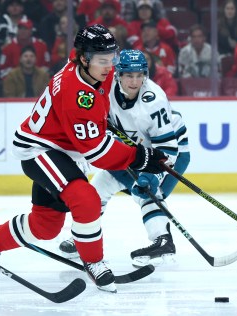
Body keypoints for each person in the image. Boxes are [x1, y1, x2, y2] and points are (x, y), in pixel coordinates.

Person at [0, 25, 168, 293]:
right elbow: (97, 153)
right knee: (87, 199)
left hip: (63, 150)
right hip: (40, 149)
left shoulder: (89, 67)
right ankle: (94, 262)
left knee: (45, 226)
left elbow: (106, 100)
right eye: (103, 61)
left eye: (111, 58)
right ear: (84, 59)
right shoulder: (76, 93)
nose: (109, 67)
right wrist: (140, 156)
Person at [58, 49, 189, 267]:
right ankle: (84, 237)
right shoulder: (105, 89)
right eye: (129, 75)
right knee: (96, 190)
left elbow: (168, 149)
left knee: (148, 192)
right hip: (133, 151)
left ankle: (162, 240)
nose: (134, 81)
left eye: (139, 75)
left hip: (170, 152)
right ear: (118, 74)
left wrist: (151, 175)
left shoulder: (153, 101)